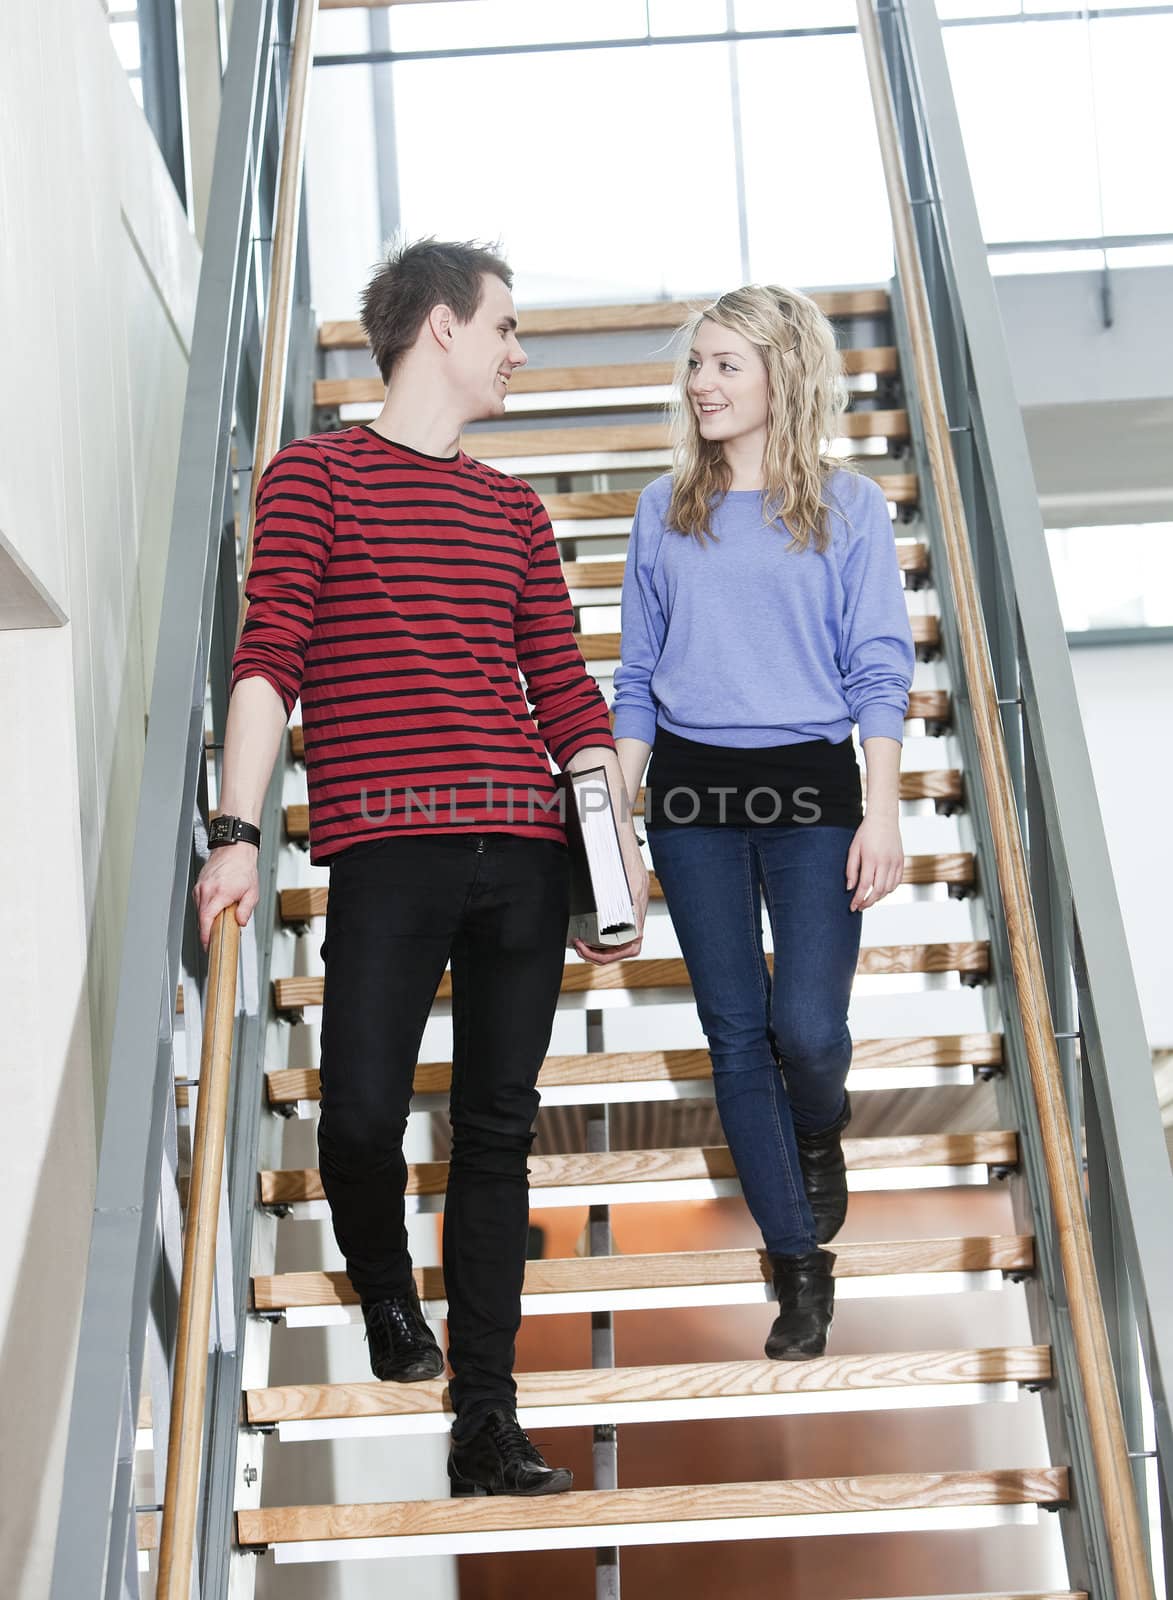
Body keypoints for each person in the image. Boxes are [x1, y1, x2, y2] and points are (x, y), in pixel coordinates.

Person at [193, 238, 648, 1497]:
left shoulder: (513, 510)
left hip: (524, 851)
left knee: (497, 1135)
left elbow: (562, 690)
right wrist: (236, 838)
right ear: (440, 327)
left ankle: (484, 1420)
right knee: (358, 1121)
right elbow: (270, 658)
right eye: (506, 326)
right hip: (385, 851)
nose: (518, 351)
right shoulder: (315, 476)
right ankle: (390, 1295)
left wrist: (611, 861)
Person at [612, 284, 915, 1361]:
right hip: (694, 794)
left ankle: (819, 1125)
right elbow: (637, 679)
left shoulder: (849, 507)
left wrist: (881, 808)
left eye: (725, 364)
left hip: (812, 791)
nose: (701, 382)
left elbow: (880, 664)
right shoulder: (665, 508)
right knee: (735, 1035)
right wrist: (619, 831)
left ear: (784, 372)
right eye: (697, 364)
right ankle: (799, 1266)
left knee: (808, 1033)